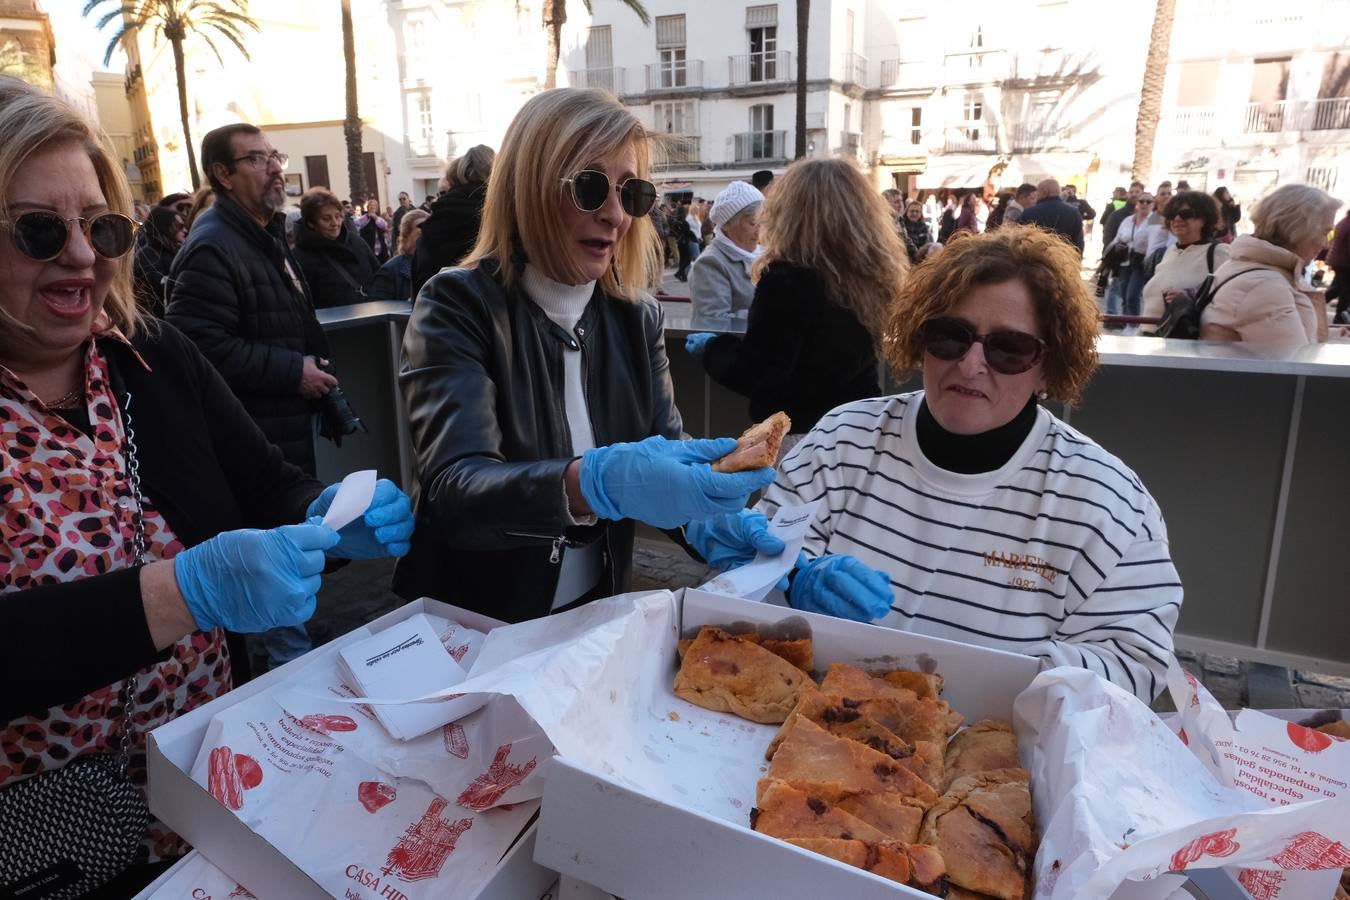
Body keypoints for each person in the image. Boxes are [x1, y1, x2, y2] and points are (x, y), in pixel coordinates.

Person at [0, 75, 413, 895]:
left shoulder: (151, 357)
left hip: (203, 794)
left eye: (102, 227)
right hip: (39, 846)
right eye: (40, 230)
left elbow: (262, 478)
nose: (82, 256)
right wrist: (179, 592)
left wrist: (323, 512)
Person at [690, 228, 1183, 702]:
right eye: (950, 336)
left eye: (1009, 349)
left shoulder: (1107, 502)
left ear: (1049, 368)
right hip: (818, 728)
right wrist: (793, 585)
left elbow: (1134, 662)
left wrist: (987, 677)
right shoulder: (842, 440)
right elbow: (750, 581)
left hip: (1001, 754)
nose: (970, 365)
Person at [394, 87, 775, 622]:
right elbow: (457, 493)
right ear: (528, 188)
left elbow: (662, 458)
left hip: (593, 610)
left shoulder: (635, 316)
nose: (617, 216)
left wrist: (743, 540)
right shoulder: (457, 304)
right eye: (591, 188)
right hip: (479, 623)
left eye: (632, 193)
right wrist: (592, 482)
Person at [166, 123, 349, 668]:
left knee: (286, 554)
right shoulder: (213, 246)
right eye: (255, 159)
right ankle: (292, 682)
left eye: (274, 156)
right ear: (221, 174)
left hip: (280, 428)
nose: (274, 168)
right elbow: (194, 347)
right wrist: (289, 370)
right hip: (254, 436)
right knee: (273, 563)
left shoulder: (261, 236)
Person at [685, 157, 908, 449]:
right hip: (858, 427)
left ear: (791, 212)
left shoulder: (789, 279)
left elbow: (760, 371)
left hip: (800, 437)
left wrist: (712, 350)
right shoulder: (872, 273)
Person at [1200, 184, 1340, 345]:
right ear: (1298, 229)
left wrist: (1337, 336)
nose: (1326, 244)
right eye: (1325, 232)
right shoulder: (1265, 287)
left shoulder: (1260, 271)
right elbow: (1296, 363)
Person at [411, 144, 494, 299]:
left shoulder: (435, 221)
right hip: (498, 317)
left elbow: (421, 285)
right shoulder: (504, 218)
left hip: (443, 315)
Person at [1139, 190, 1231, 329]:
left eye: (1186, 214)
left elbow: (1229, 301)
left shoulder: (1219, 253)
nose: (1177, 219)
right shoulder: (1166, 253)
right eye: (1172, 215)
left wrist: (1191, 297)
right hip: (1149, 341)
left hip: (1183, 345)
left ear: (1204, 219)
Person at [292, 187, 380, 309]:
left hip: (371, 320)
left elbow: (378, 276)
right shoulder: (299, 257)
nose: (335, 223)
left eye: (338, 216)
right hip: (331, 326)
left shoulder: (356, 242)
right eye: (326, 219)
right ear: (311, 223)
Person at [689, 181, 763, 319]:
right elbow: (712, 322)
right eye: (753, 223)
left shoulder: (763, 253)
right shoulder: (710, 263)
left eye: (763, 222)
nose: (760, 230)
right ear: (728, 224)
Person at [1104, 190, 1155, 316]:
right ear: (1137, 203)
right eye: (1141, 201)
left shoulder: (1156, 220)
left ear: (1153, 204)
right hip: (1124, 262)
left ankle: (1133, 326)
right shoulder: (1128, 220)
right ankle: (1127, 323)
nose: (1145, 204)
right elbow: (1117, 238)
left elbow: (1158, 241)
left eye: (1148, 201)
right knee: (1124, 294)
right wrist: (1108, 254)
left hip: (1141, 263)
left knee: (1132, 295)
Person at [132, 206, 185, 317]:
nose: (184, 230)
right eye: (179, 226)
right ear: (166, 227)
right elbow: (158, 286)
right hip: (160, 317)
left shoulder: (178, 249)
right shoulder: (147, 254)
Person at [370, 208, 429, 302]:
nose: (427, 238)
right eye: (421, 234)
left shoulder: (439, 266)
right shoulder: (389, 271)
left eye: (430, 233)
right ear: (406, 236)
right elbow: (378, 309)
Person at [1017, 178, 1086, 254]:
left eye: (1038, 193)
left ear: (1044, 192)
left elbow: (1018, 240)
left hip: (1035, 261)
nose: (1037, 196)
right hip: (1065, 260)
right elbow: (1079, 243)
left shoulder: (1029, 213)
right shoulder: (1074, 213)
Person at [1328, 205, 1350, 324]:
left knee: (1338, 288)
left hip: (1338, 260)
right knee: (1345, 290)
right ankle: (1340, 316)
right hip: (1345, 262)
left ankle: (1317, 303)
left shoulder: (1344, 221)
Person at [355, 199, 390, 264]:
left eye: (374, 205)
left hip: (380, 248)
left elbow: (384, 226)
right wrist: (367, 217)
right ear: (368, 208)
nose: (372, 207)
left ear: (377, 208)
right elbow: (356, 224)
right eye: (370, 205)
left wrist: (375, 217)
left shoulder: (378, 218)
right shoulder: (364, 218)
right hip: (368, 248)